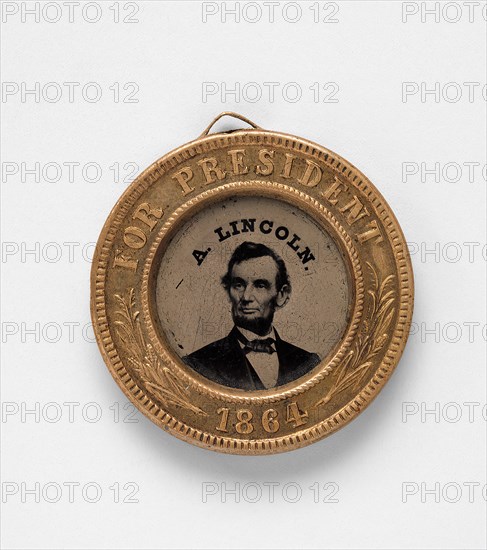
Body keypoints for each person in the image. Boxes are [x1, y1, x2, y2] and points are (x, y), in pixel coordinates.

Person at [183, 241, 320, 390]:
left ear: (281, 295)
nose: (246, 297)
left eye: (260, 285)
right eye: (239, 285)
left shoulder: (308, 363)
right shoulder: (198, 364)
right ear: (229, 292)